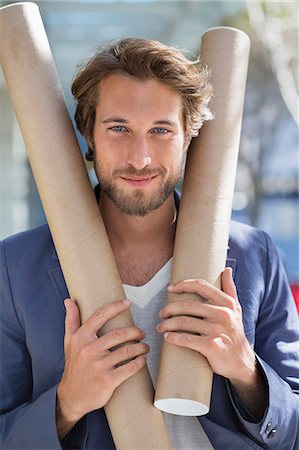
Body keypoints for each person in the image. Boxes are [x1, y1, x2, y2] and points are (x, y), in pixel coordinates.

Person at [0, 38, 298, 450]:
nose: (139, 158)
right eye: (118, 128)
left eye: (160, 130)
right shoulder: (15, 267)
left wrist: (247, 371)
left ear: (188, 136)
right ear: (88, 133)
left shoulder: (254, 255)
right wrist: (67, 403)